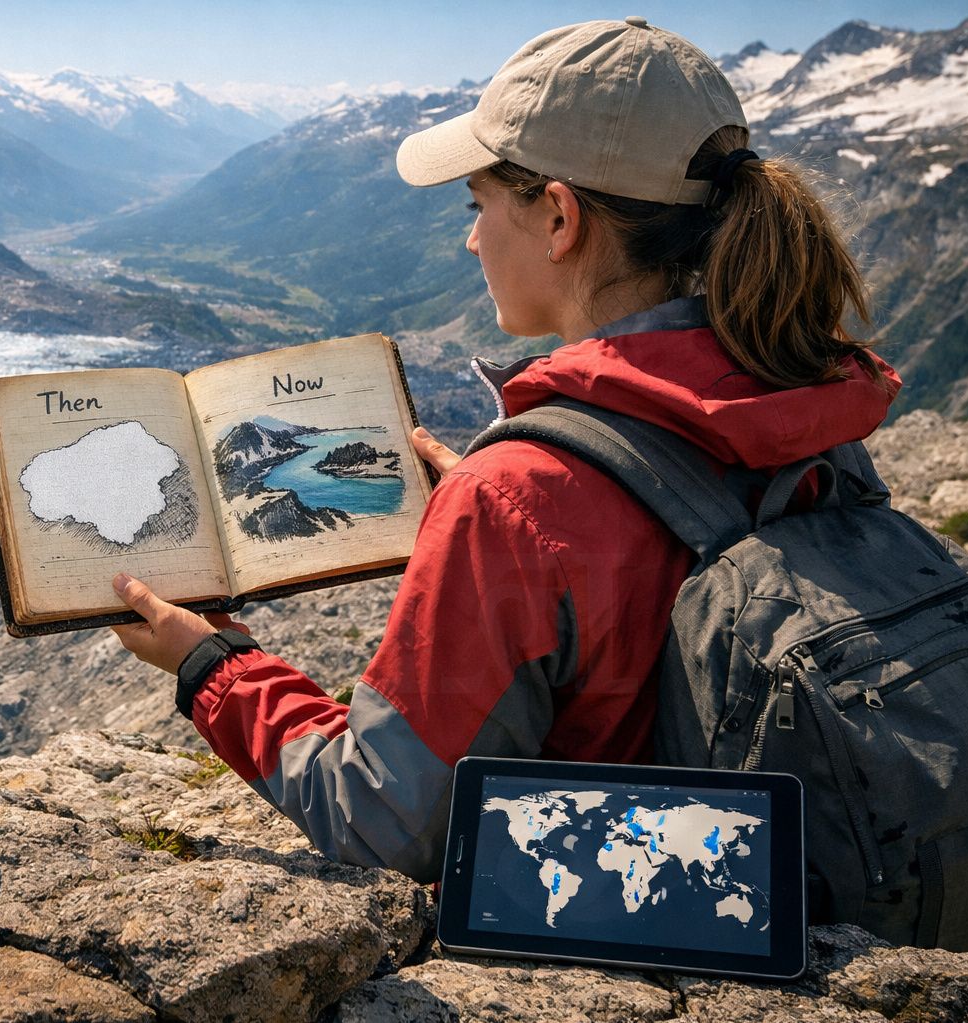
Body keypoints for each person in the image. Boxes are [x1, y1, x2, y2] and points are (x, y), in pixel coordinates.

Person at [108, 17, 899, 883]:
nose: (471, 239)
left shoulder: (517, 499)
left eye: (479, 205)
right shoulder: (803, 405)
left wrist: (209, 664)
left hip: (610, 926)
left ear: (558, 216)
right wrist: (516, 510)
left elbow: (380, 824)